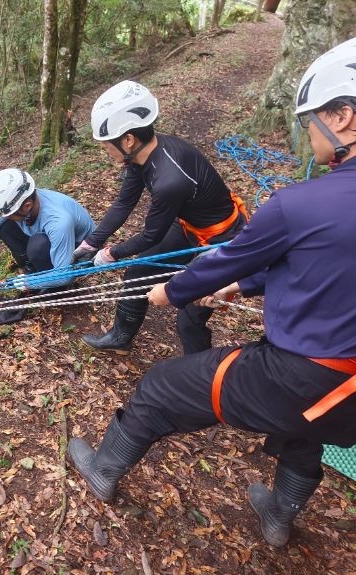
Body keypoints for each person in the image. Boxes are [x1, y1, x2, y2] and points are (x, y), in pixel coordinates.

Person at [67, 38, 356, 548]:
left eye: (309, 124)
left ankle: (105, 468)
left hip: (300, 371)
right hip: (343, 392)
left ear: (343, 118)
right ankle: (280, 516)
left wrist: (174, 292)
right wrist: (244, 287)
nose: (306, 135)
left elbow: (227, 255)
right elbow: (321, 265)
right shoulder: (323, 208)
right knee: (307, 430)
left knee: (160, 386)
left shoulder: (298, 205)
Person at [73, 81, 248, 355]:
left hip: (223, 239)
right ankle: (121, 337)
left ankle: (199, 374)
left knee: (190, 317)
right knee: (137, 274)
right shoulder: (140, 157)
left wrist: (111, 253)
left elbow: (150, 235)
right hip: (191, 226)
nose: (104, 150)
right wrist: (91, 244)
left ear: (127, 139)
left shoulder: (169, 179)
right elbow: (124, 202)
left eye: (106, 143)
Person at [0, 168, 96, 297]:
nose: (4, 217)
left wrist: (27, 283)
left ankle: (52, 287)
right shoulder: (15, 203)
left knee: (38, 245)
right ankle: (34, 269)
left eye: (9, 215)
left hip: (77, 252)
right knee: (4, 226)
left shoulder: (58, 221)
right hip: (49, 240)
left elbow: (65, 276)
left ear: (27, 206)